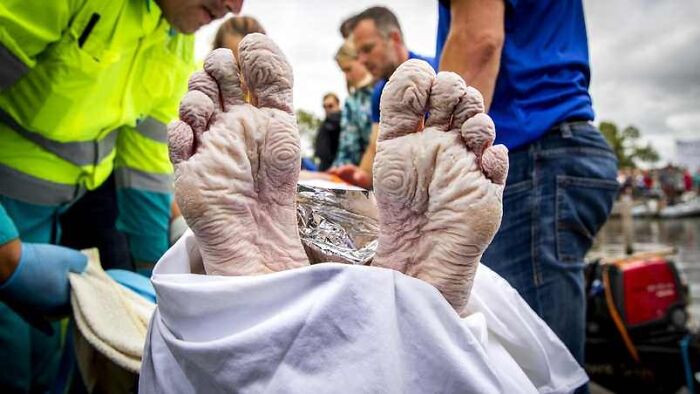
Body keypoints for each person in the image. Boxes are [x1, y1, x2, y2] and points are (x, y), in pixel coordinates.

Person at [0, 0, 242, 390]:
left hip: (57, 217)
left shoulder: (174, 38)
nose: (234, 6)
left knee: (46, 365)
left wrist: (152, 285)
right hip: (7, 212)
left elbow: (145, 171)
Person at [435, 0, 619, 382]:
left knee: (536, 376)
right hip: (557, 148)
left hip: (530, 152)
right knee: (545, 360)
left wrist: (433, 159)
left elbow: (479, 40)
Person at [330, 6, 434, 188]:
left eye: (368, 49)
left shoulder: (436, 73)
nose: (362, 60)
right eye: (358, 53)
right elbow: (374, 148)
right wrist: (361, 177)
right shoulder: (379, 93)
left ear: (394, 39)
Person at [331, 37, 374, 167]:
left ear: (362, 59)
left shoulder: (391, 84)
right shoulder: (353, 102)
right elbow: (348, 150)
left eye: (348, 69)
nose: (347, 77)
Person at [313, 93, 342, 171]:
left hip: (335, 167)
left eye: (330, 106)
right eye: (324, 106)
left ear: (338, 105)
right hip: (323, 165)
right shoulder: (326, 123)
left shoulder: (342, 123)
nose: (327, 109)